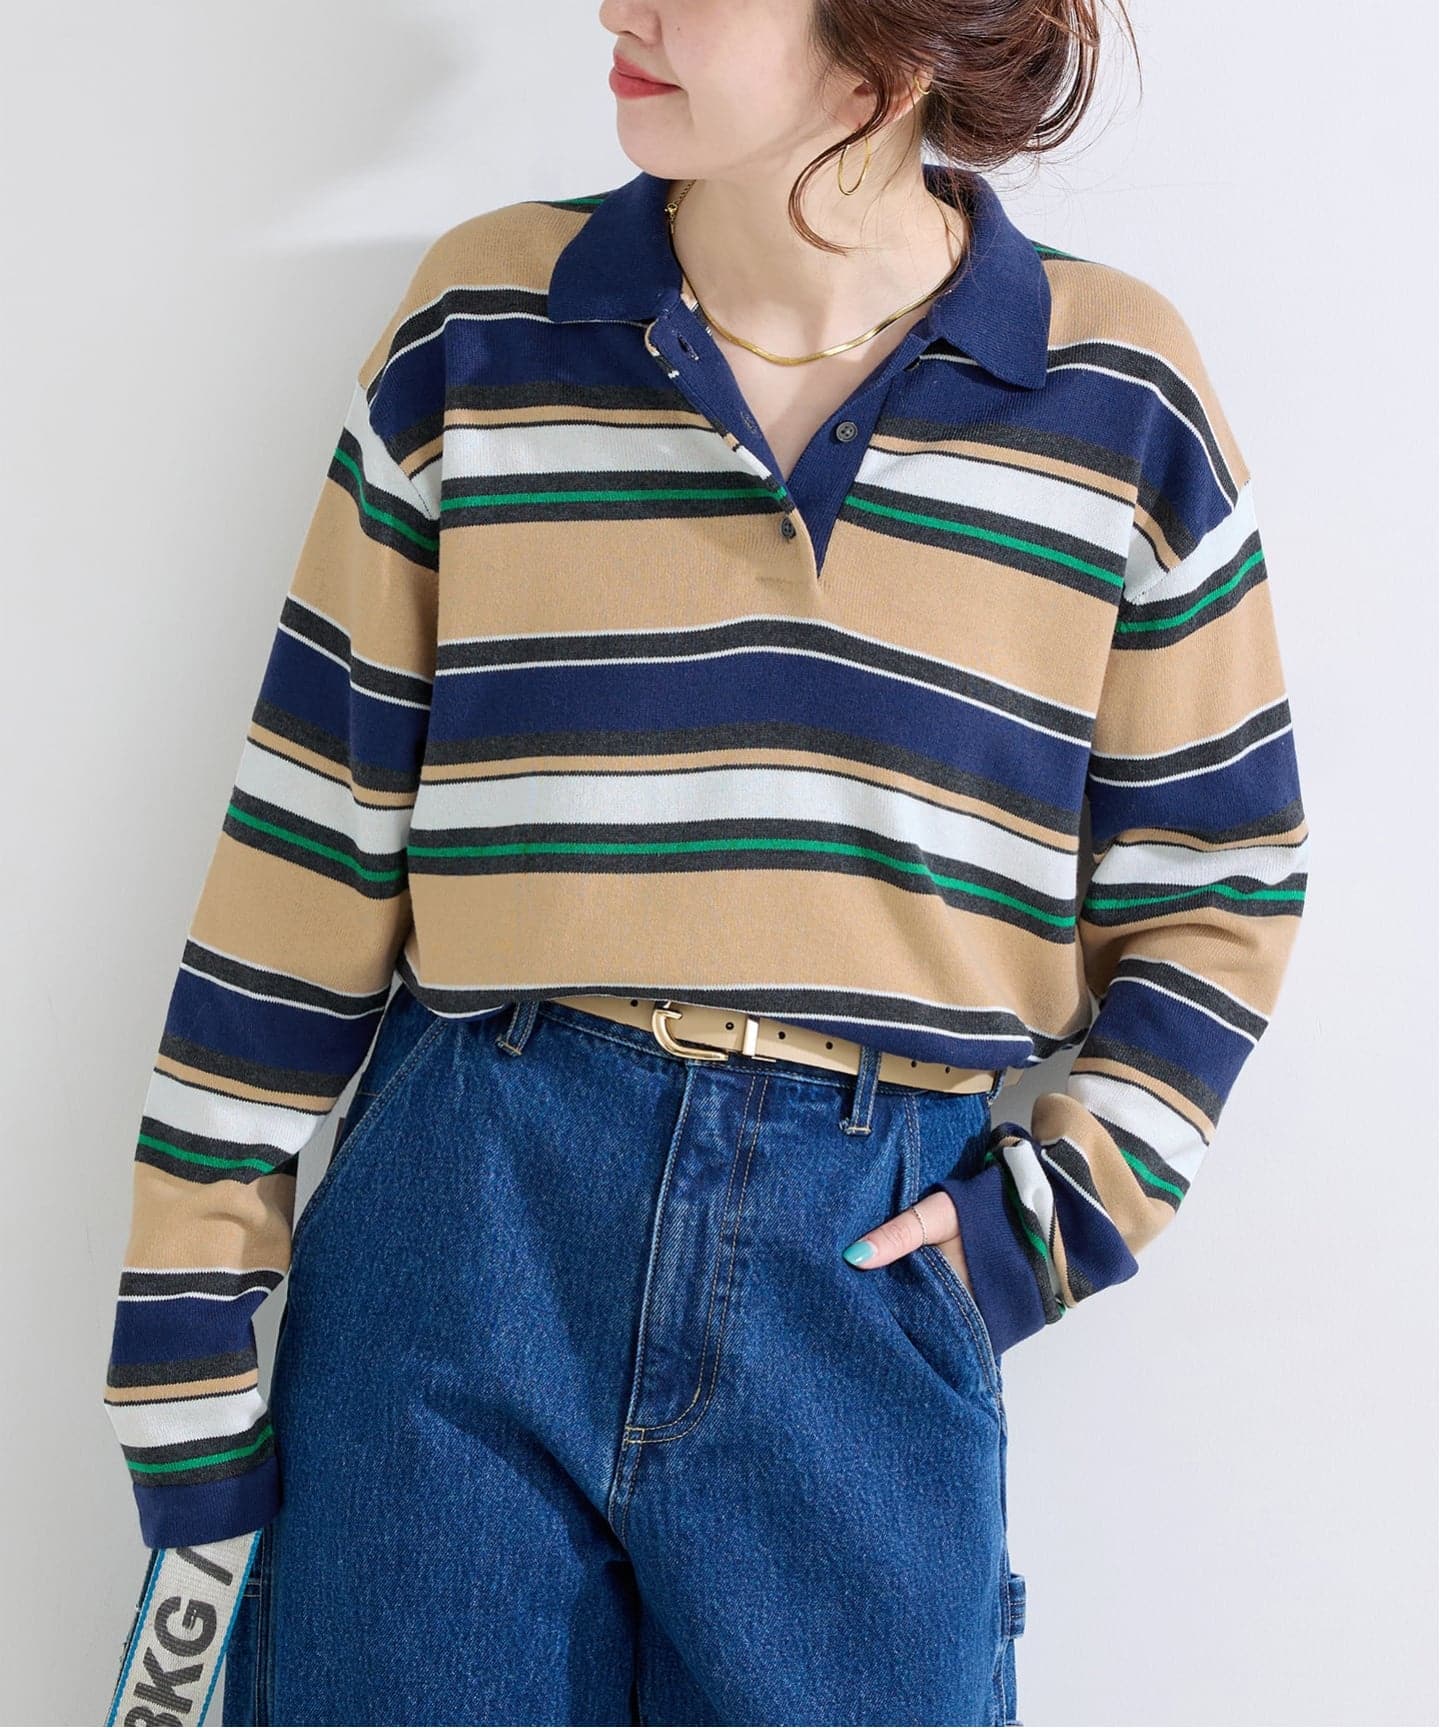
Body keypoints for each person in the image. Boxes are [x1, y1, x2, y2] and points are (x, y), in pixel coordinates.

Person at [102, 1, 1310, 1723]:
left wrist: (1036, 1235)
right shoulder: (481, 327)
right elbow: (308, 846)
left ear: (893, 27)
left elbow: (1224, 882)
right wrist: (187, 1313)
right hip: (460, 1234)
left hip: (863, 1263)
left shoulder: (1118, 394)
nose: (619, 8)